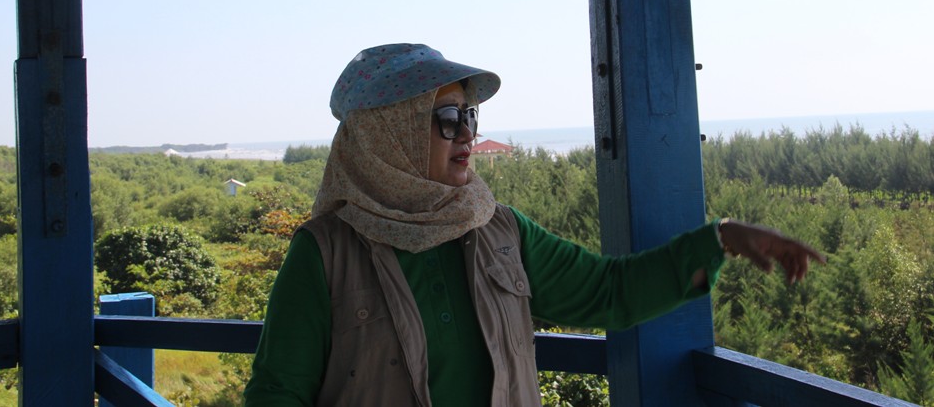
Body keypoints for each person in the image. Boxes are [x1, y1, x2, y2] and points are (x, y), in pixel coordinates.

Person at [243, 43, 824, 406]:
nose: (468, 134)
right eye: (447, 118)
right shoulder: (325, 253)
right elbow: (278, 393)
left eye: (470, 116)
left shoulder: (499, 231)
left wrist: (721, 238)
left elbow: (609, 291)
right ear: (387, 135)